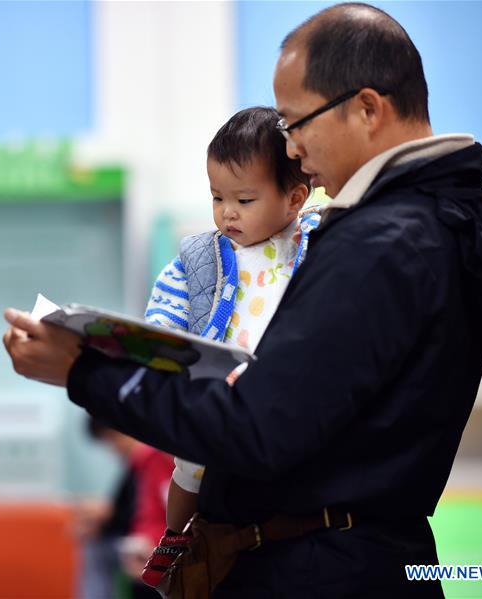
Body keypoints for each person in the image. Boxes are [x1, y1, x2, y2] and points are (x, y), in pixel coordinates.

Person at [2, 3, 482, 596]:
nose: (290, 147)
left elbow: (255, 430)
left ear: (367, 109)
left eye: (297, 122)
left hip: (318, 569)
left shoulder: (383, 243)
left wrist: (84, 372)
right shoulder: (447, 219)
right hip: (360, 556)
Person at [139, 107, 318, 585]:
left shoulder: (315, 240)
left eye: (243, 198)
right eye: (217, 197)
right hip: (217, 389)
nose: (227, 213)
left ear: (295, 197)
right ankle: (177, 538)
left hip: (281, 391)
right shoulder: (202, 254)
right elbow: (166, 308)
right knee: (189, 466)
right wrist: (164, 341)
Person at [75, 417, 172, 599]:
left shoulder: (154, 456)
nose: (113, 450)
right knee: (98, 547)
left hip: (171, 542)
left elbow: (170, 514)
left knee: (98, 551)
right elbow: (146, 512)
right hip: (151, 540)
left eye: (112, 440)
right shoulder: (142, 461)